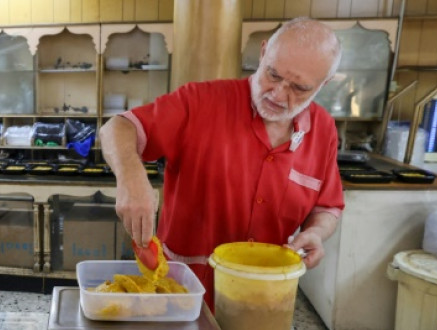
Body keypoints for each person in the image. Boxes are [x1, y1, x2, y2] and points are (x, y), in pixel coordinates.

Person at [100, 17, 344, 305]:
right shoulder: (201, 102)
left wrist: (315, 232)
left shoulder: (323, 129)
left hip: (261, 299)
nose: (278, 94)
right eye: (273, 75)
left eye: (298, 88)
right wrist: (131, 178)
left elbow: (327, 206)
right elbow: (117, 127)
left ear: (324, 84)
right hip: (183, 295)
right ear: (263, 52)